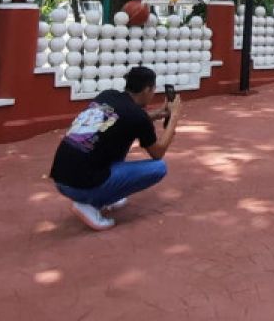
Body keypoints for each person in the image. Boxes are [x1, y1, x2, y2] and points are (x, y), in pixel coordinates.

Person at [49, 66, 183, 231]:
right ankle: (90, 204)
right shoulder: (137, 116)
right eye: (153, 90)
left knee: (117, 137)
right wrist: (174, 116)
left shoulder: (108, 95)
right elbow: (158, 152)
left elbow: (121, 120)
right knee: (159, 168)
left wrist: (156, 114)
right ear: (147, 89)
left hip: (61, 180)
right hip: (81, 187)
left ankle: (108, 195)